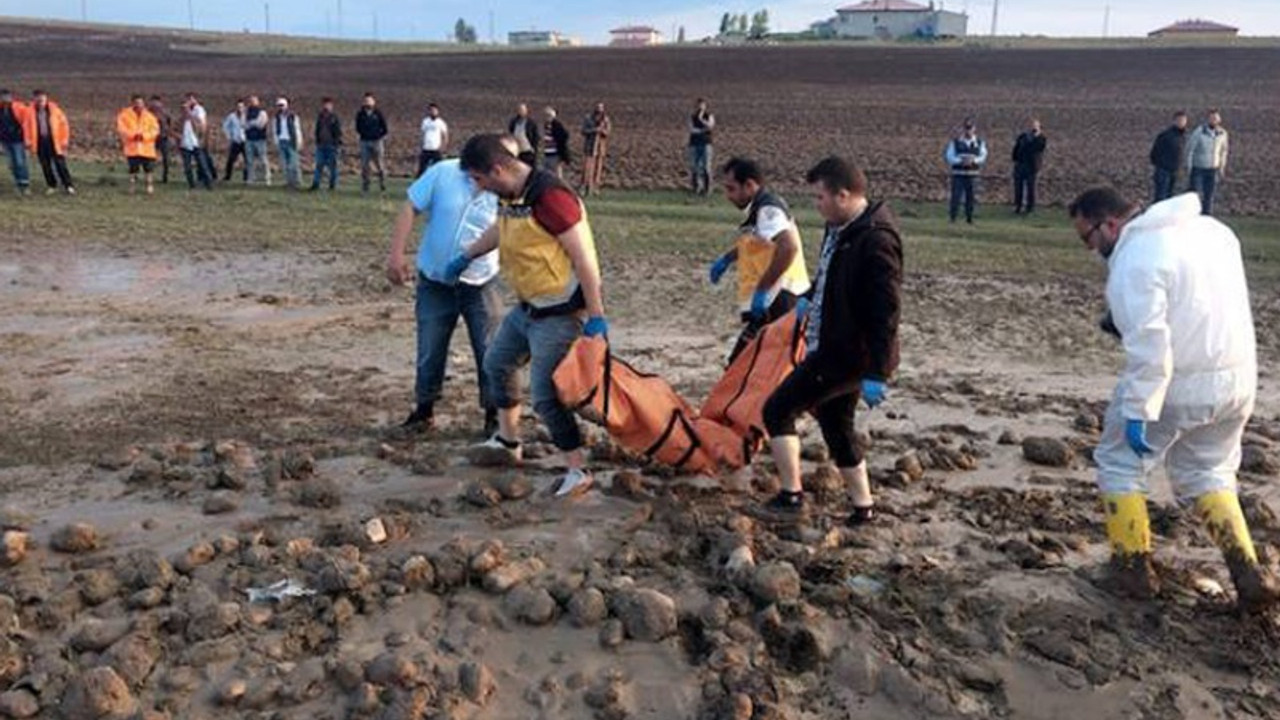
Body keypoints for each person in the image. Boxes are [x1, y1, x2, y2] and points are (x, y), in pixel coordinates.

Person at [1068, 186, 1277, 612]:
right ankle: (1248, 571)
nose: (1092, 250)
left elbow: (1150, 343)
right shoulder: (1215, 232)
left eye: (1087, 238)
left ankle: (1131, 570)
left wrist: (1139, 409)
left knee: (1120, 463)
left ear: (1109, 223)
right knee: (1210, 471)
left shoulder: (1136, 256)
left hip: (1177, 382)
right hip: (1237, 380)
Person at [444, 133, 608, 497]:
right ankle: (507, 442)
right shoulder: (510, 196)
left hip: (561, 312)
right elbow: (501, 231)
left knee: (546, 394)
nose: (478, 186)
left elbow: (584, 258)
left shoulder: (551, 198)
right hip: (528, 307)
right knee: (497, 363)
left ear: (498, 169)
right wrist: (466, 254)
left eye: (479, 178)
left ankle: (578, 470)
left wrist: (596, 316)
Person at [759, 156, 902, 522]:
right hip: (832, 345)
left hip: (847, 355)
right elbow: (827, 272)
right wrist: (808, 296)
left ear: (843, 195)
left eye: (820, 197)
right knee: (836, 425)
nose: (816, 205)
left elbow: (885, 312)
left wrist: (877, 371)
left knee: (777, 409)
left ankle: (791, 496)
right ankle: (863, 507)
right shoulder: (838, 227)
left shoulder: (875, 241)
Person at [385, 149, 504, 436]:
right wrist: (396, 255)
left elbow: (512, 228)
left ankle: (494, 417)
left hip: (481, 282)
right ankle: (424, 410)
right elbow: (411, 205)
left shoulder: (505, 186)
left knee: (490, 349)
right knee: (430, 346)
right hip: (435, 281)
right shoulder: (443, 172)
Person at [707, 157, 810, 361]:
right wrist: (727, 259)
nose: (728, 196)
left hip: (779, 296)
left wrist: (763, 289)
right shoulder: (759, 209)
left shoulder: (768, 210)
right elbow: (754, 242)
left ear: (750, 185)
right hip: (776, 296)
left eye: (731, 189)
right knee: (756, 361)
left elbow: (788, 247)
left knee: (746, 362)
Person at [26, 90, 75, 195]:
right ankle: (52, 185)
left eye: (42, 98)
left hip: (55, 141)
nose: (40, 101)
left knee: (60, 165)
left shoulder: (55, 110)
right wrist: (28, 141)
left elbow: (64, 125)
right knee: (45, 165)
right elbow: (27, 127)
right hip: (40, 142)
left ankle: (68, 186)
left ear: (46, 98)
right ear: (34, 99)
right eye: (37, 98)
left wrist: (64, 140)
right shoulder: (30, 112)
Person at [1185, 109, 1229, 216]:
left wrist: (1222, 166)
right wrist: (1189, 166)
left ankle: (1207, 216)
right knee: (1194, 194)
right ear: (1207, 119)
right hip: (1198, 168)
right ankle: (1192, 215)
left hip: (1213, 168)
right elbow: (1190, 149)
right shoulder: (1199, 132)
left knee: (1209, 195)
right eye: (1211, 118)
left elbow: (1224, 150)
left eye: (1216, 118)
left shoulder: (1222, 133)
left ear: (1219, 120)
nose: (1214, 120)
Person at [944, 118, 986, 223]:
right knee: (956, 197)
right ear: (963, 129)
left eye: (970, 128)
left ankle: (969, 218)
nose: (968, 131)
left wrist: (974, 161)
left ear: (974, 129)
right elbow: (949, 156)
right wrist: (961, 161)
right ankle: (953, 218)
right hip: (958, 174)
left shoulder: (979, 143)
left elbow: (983, 156)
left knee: (971, 197)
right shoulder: (955, 142)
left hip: (973, 175)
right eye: (966, 128)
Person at [116, 95, 158, 195]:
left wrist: (144, 136)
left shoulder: (150, 116)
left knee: (148, 170)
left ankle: (149, 187)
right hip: (132, 148)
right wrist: (133, 136)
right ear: (132, 103)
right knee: (133, 170)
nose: (139, 105)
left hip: (147, 148)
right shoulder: (124, 115)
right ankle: (132, 187)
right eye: (137, 103)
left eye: (141, 103)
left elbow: (155, 130)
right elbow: (122, 129)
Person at [1148, 110, 1188, 203]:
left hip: (1175, 171)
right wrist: (1161, 165)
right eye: (1179, 120)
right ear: (1174, 121)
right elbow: (1154, 152)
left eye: (1183, 120)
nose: (1181, 122)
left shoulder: (1183, 136)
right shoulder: (1165, 135)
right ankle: (1157, 216)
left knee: (1170, 198)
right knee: (1160, 197)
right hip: (1163, 171)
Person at [178, 92, 214, 191]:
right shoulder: (184, 112)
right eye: (187, 100)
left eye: (190, 99)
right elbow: (179, 124)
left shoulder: (199, 110)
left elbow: (201, 125)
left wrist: (189, 112)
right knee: (187, 166)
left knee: (202, 164)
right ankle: (192, 185)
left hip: (196, 142)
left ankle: (209, 184)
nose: (188, 102)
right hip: (185, 142)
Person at [1011, 117, 1046, 214]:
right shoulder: (1022, 137)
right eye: (1031, 126)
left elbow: (1038, 148)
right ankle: (1018, 206)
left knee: (1031, 187)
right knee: (1018, 187)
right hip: (1020, 165)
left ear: (1039, 127)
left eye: (1035, 126)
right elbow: (1017, 147)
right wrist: (1015, 158)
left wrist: (1034, 137)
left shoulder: (1041, 138)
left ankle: (1030, 207)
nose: (1032, 128)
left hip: (1032, 166)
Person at [356, 92, 388, 193]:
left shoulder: (378, 113)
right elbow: (357, 127)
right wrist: (364, 134)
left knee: (380, 165)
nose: (368, 102)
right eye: (366, 101)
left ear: (373, 102)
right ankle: (365, 187)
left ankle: (382, 184)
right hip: (364, 142)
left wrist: (378, 136)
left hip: (377, 142)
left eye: (369, 100)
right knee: (365, 166)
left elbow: (385, 128)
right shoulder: (360, 114)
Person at [0, 89, 30, 195]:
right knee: (11, 164)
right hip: (5, 141)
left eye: (7, 96)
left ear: (11, 97)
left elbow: (27, 123)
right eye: (3, 96)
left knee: (20, 162)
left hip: (18, 140)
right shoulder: (1, 109)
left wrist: (27, 140)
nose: (5, 98)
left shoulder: (19, 108)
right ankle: (18, 183)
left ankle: (25, 185)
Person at [310, 97, 342, 191]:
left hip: (332, 145)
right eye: (324, 104)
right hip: (321, 145)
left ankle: (332, 185)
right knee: (319, 165)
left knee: (333, 166)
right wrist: (317, 140)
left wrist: (336, 143)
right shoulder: (320, 117)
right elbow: (317, 129)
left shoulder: (334, 118)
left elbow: (338, 132)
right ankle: (315, 184)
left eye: (328, 104)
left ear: (331, 106)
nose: (326, 106)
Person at [272, 97, 304, 190]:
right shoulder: (276, 118)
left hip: (291, 141)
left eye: (282, 105)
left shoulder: (293, 117)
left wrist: (299, 141)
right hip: (282, 141)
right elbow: (275, 130)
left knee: (293, 163)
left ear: (286, 106)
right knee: (285, 164)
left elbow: (297, 129)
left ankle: (296, 181)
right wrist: (276, 141)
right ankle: (288, 182)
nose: (280, 107)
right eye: (278, 106)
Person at [580, 102, 611, 196]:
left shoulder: (605, 120)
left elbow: (608, 132)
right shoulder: (588, 118)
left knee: (598, 169)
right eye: (598, 107)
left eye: (601, 108)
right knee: (587, 168)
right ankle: (585, 186)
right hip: (589, 147)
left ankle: (595, 187)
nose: (599, 110)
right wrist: (593, 130)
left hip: (600, 148)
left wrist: (602, 131)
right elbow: (583, 131)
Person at [687, 98, 715, 196]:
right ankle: (696, 188)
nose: (700, 107)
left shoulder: (709, 116)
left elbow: (710, 126)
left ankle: (707, 189)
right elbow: (692, 129)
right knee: (694, 167)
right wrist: (702, 131)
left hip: (706, 144)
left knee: (706, 167)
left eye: (702, 105)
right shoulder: (692, 117)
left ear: (705, 106)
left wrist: (701, 120)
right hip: (694, 144)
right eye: (698, 105)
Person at [244, 95, 272, 186]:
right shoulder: (246, 113)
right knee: (250, 161)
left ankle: (267, 178)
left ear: (258, 102)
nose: (252, 103)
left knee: (263, 160)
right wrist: (253, 123)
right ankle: (251, 179)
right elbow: (243, 124)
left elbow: (261, 124)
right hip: (249, 140)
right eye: (250, 101)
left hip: (260, 140)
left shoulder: (262, 113)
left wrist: (251, 123)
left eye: (254, 101)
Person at [417, 103, 448, 177]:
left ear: (437, 111)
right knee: (422, 169)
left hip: (436, 149)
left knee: (438, 169)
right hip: (426, 148)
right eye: (431, 110)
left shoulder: (441, 122)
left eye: (434, 110)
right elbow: (422, 134)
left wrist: (442, 147)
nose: (432, 112)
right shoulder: (425, 121)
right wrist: (421, 145)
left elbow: (445, 136)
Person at [148, 95, 173, 184]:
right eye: (153, 103)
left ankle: (165, 177)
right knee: (150, 159)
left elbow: (169, 123)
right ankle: (149, 176)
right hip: (151, 139)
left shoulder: (165, 113)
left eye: (157, 103)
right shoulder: (147, 113)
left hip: (163, 138)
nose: (155, 104)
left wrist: (167, 132)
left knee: (166, 159)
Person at [222, 99, 249, 183]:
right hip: (235, 141)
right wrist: (230, 136)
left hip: (245, 141)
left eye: (241, 107)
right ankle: (227, 176)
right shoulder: (232, 116)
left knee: (247, 160)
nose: (239, 108)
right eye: (238, 107)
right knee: (231, 160)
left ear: (244, 108)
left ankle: (246, 177)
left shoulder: (247, 116)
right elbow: (225, 126)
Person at [541, 106, 571, 179]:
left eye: (548, 115)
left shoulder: (556, 125)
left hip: (555, 155)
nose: (547, 117)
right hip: (547, 154)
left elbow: (564, 135)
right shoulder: (546, 125)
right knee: (548, 175)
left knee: (557, 176)